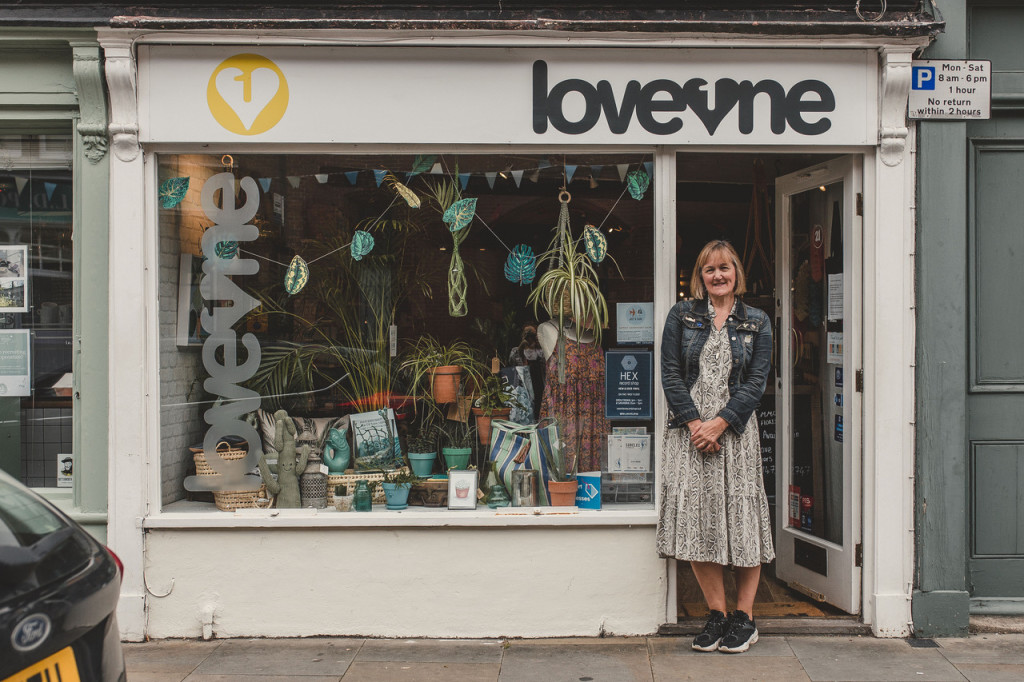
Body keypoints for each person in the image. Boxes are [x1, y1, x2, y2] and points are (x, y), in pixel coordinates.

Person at [658, 239, 774, 654]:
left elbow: (757, 382)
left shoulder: (757, 321)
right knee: (698, 520)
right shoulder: (682, 316)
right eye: (710, 269)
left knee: (741, 518)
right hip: (690, 435)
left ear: (736, 274)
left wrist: (720, 424)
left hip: (736, 435)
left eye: (725, 267)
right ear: (700, 276)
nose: (718, 275)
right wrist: (695, 424)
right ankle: (717, 615)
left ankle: (744, 618)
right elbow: (670, 372)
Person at [537, 316, 608, 474]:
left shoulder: (595, 334)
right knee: (561, 465)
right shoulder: (549, 330)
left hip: (594, 416)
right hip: (564, 414)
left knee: (595, 472)